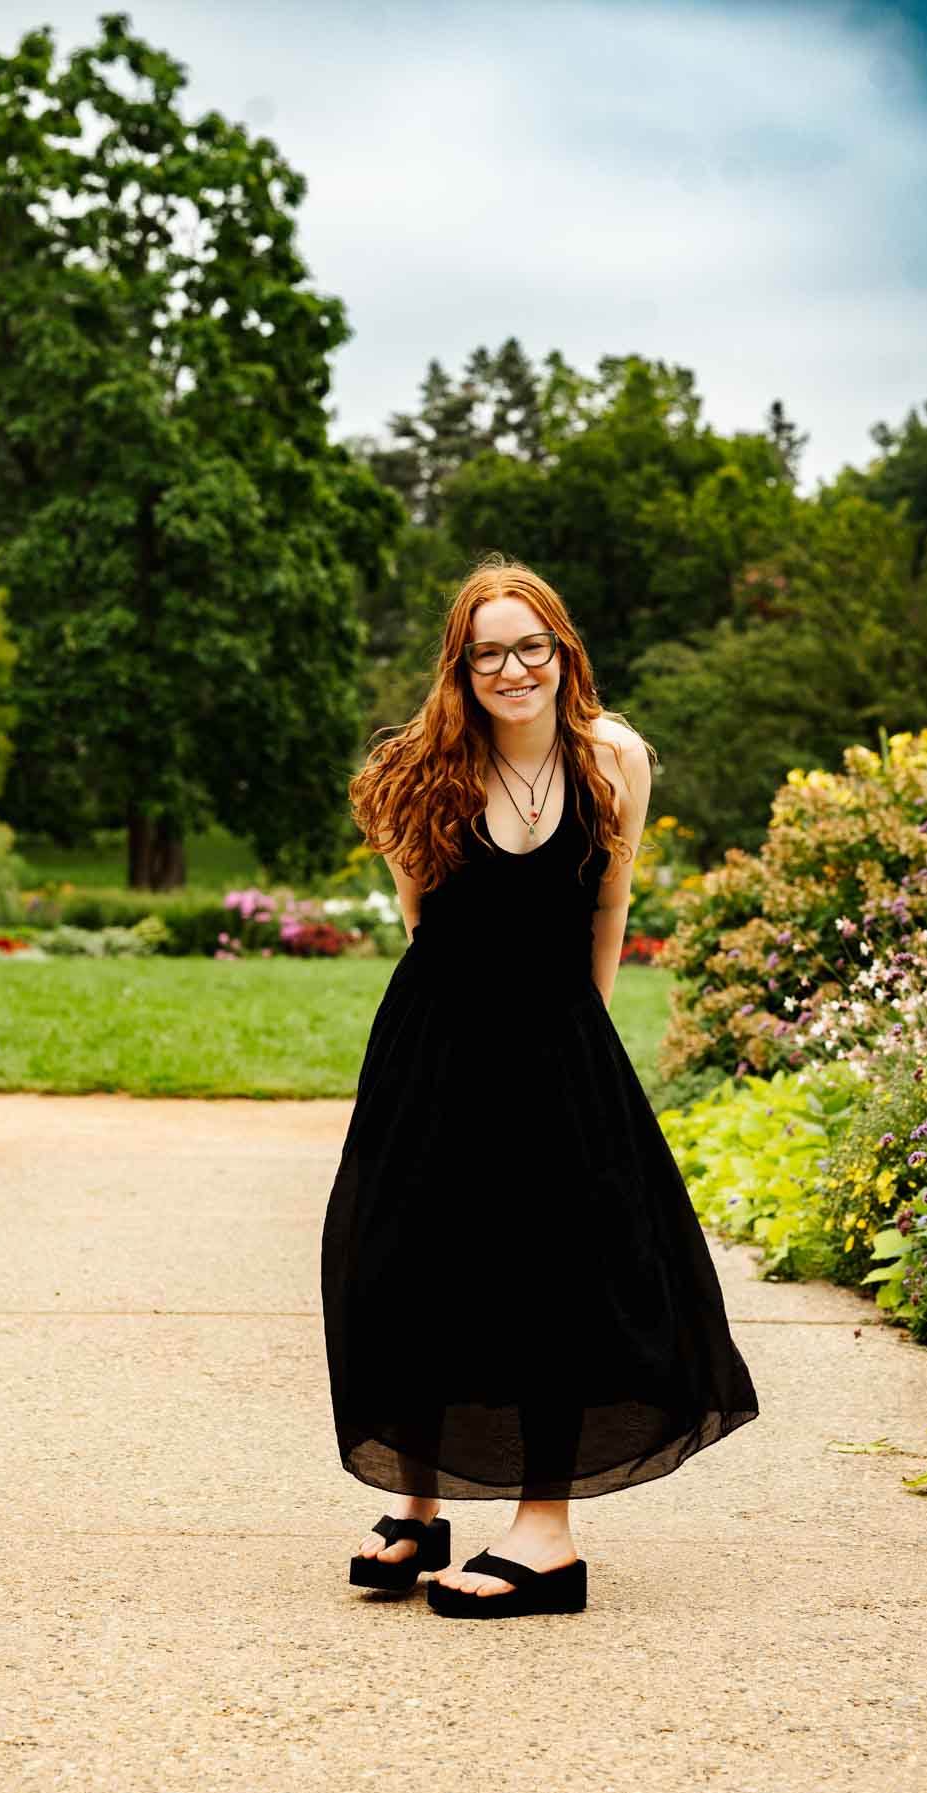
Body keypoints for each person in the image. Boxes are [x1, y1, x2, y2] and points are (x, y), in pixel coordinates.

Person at [320, 555, 759, 1619]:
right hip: (434, 1040)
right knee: (402, 1257)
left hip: (560, 1039)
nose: (511, 669)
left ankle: (546, 1539)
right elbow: (424, 922)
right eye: (487, 654)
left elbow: (607, 903)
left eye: (530, 647)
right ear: (459, 669)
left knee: (555, 1274)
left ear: (563, 653)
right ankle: (420, 1506)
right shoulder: (413, 769)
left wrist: (582, 1029)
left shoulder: (615, 758)